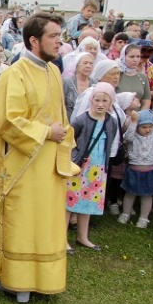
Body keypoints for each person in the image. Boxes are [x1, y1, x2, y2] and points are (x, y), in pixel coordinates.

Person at [0, 13, 79, 303]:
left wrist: (63, 134)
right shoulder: (14, 74)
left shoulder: (53, 71)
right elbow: (6, 120)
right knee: (22, 220)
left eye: (59, 35)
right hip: (22, 165)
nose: (59, 41)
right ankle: (15, 280)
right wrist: (45, 132)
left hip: (48, 165)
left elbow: (60, 115)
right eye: (53, 36)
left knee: (42, 221)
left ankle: (38, 278)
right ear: (34, 40)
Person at [65, 83, 119, 252]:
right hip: (79, 167)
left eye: (105, 100)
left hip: (98, 169)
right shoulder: (81, 119)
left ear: (111, 102)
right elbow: (69, 140)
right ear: (91, 100)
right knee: (69, 203)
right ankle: (62, 239)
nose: (100, 104)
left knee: (87, 204)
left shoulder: (111, 122)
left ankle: (83, 236)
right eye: (97, 100)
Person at [119, 108, 153, 228]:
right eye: (144, 127)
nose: (148, 129)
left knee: (147, 196)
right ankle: (125, 213)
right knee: (130, 193)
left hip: (151, 171)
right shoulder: (133, 135)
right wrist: (134, 121)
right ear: (137, 126)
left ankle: (143, 218)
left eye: (150, 126)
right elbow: (127, 137)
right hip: (134, 170)